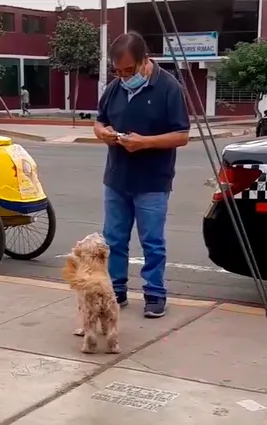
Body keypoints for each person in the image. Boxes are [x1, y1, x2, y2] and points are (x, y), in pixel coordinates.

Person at [93, 31, 189, 319]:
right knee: (114, 238)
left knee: (152, 241)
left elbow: (182, 135)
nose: (124, 77)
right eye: (118, 71)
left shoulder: (169, 87)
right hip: (117, 178)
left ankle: (155, 294)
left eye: (129, 70)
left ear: (144, 60)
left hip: (152, 180)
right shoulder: (114, 88)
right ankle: (117, 290)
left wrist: (144, 142)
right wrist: (104, 134)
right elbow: (99, 122)